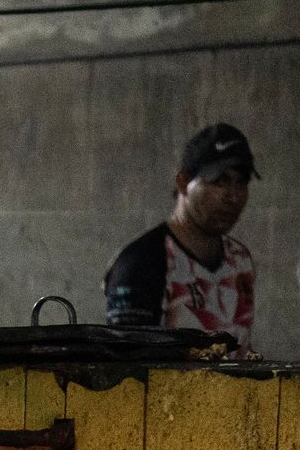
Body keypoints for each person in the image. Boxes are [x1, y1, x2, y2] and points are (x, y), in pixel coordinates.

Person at [102, 123, 260, 342]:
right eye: (219, 181)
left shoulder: (239, 260)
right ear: (183, 181)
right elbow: (128, 367)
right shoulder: (142, 262)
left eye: (240, 183)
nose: (233, 196)